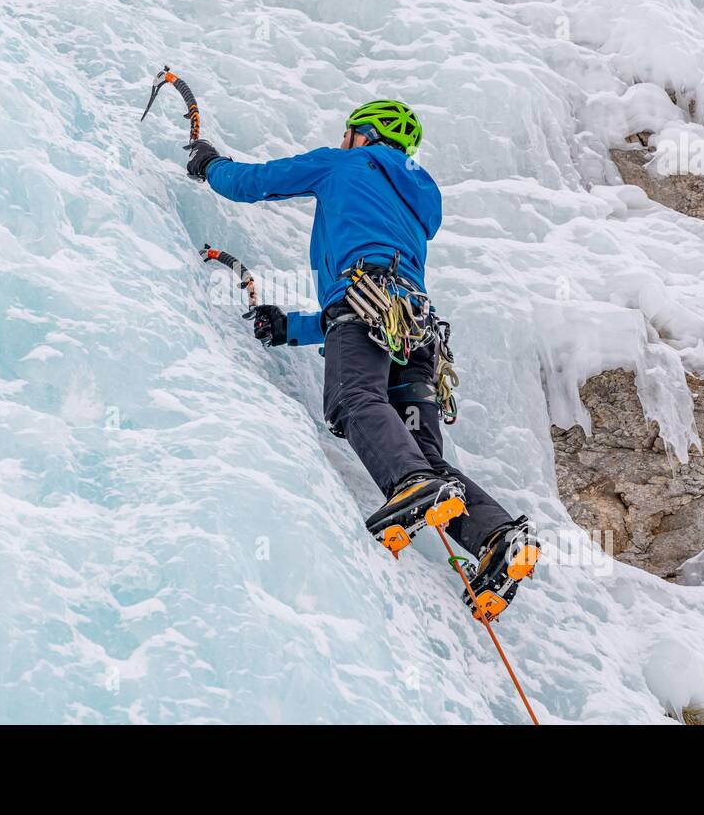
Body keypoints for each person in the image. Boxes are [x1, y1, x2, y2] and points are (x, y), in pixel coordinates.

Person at [184, 100, 538, 613]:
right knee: (425, 451)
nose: (343, 139)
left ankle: (413, 486)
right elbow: (358, 301)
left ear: (364, 135)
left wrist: (210, 165)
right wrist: (291, 328)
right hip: (413, 329)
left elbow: (254, 182)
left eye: (348, 133)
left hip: (368, 307)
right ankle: (499, 537)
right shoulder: (414, 200)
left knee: (354, 398)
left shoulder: (346, 163)